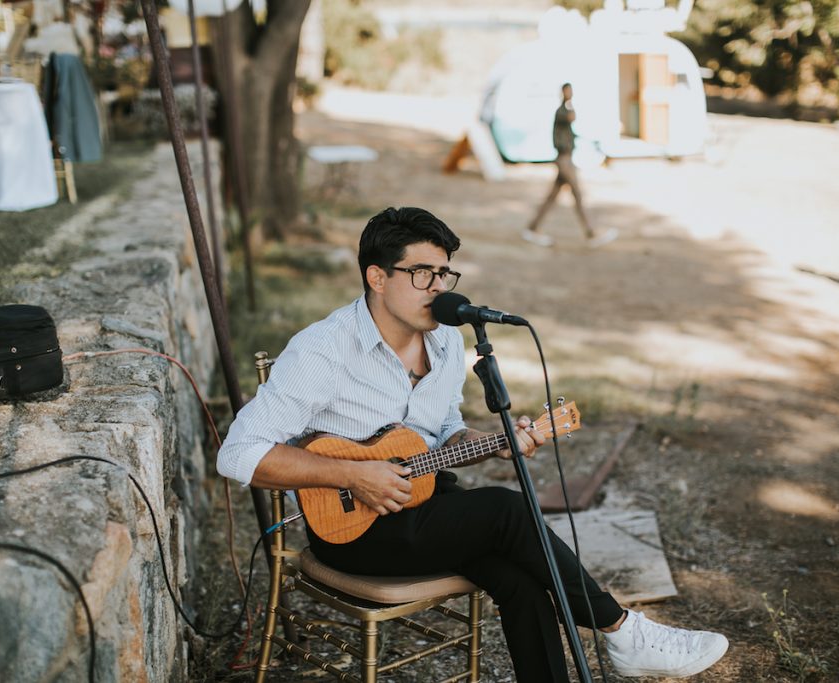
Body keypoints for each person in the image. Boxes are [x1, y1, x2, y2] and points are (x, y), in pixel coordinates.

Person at [218, 207, 727, 681]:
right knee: (507, 512)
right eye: (422, 274)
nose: (438, 288)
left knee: (522, 581)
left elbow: (444, 431)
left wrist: (492, 442)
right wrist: (353, 474)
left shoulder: (445, 341)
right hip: (353, 532)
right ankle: (621, 631)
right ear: (377, 277)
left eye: (444, 274)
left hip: (425, 507)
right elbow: (239, 453)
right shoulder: (323, 350)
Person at [523, 83, 618, 249]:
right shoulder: (562, 111)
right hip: (564, 160)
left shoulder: (564, 111)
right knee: (578, 195)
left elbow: (572, 131)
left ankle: (532, 227)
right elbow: (572, 117)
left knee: (551, 198)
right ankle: (591, 233)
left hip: (566, 159)